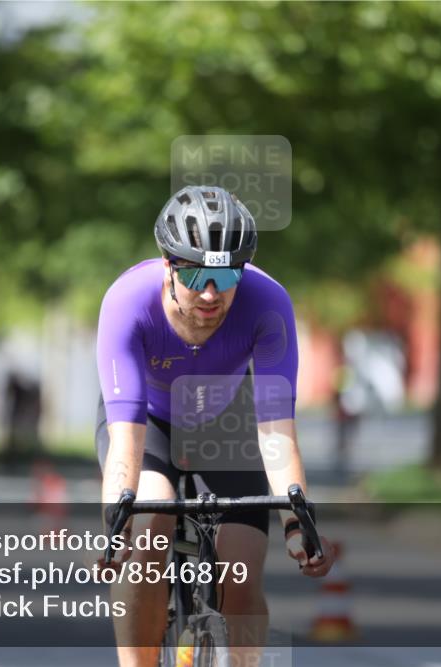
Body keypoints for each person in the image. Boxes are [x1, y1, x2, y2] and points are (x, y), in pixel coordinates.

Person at [95, 185, 334, 667]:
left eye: (226, 274)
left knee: (242, 568)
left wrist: (297, 522)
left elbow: (276, 432)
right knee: (151, 522)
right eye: (196, 273)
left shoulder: (267, 304)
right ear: (168, 265)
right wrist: (113, 531)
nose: (210, 292)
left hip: (227, 421)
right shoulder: (127, 303)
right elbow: (126, 443)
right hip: (148, 421)